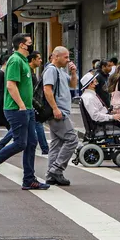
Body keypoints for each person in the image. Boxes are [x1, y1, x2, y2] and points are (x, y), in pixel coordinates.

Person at [0, 33, 50, 190]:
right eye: (30, 43)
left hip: (26, 109)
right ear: (23, 45)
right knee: (20, 143)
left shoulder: (24, 61)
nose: (32, 45)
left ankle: (29, 179)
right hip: (16, 109)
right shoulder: (15, 60)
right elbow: (10, 85)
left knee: (31, 143)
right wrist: (22, 105)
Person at [42, 46, 79, 186]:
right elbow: (47, 89)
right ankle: (56, 169)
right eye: (65, 57)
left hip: (61, 111)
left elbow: (73, 85)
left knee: (57, 144)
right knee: (72, 139)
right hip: (58, 112)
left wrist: (73, 72)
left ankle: (51, 174)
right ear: (55, 57)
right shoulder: (51, 70)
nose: (68, 60)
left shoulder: (61, 71)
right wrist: (55, 108)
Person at [79, 74, 120, 147]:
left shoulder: (90, 95)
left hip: (102, 121)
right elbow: (95, 116)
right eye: (95, 81)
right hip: (100, 125)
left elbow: (98, 111)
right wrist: (112, 117)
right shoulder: (89, 97)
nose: (97, 82)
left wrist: (110, 113)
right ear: (91, 84)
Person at [28, 52, 51, 155]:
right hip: (30, 104)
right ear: (33, 60)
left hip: (31, 104)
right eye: (39, 58)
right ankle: (45, 148)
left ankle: (0, 145)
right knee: (37, 124)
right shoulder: (28, 72)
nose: (41, 60)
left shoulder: (32, 72)